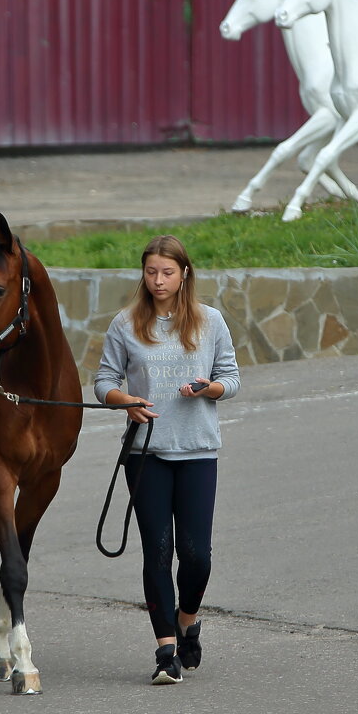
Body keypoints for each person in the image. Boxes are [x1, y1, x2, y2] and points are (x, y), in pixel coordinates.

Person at [94, 234, 241, 685]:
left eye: (167, 272)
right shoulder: (125, 323)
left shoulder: (210, 321)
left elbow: (231, 378)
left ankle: (187, 619)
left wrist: (209, 388)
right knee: (158, 552)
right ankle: (165, 653)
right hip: (145, 454)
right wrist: (124, 401)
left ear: (184, 274)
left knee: (197, 556)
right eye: (151, 271)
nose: (158, 280)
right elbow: (102, 381)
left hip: (197, 451)